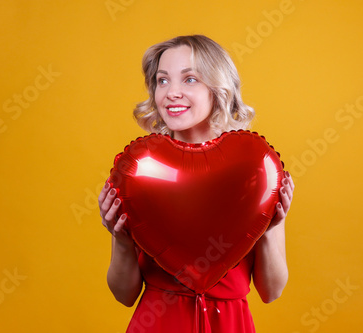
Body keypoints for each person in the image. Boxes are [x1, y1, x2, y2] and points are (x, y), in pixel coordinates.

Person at [98, 35, 294, 333]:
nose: (171, 92)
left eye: (189, 79)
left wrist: (266, 229)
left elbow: (272, 291)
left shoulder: (253, 169)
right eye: (162, 81)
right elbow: (124, 295)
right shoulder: (141, 172)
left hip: (230, 324)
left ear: (218, 88)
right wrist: (122, 241)